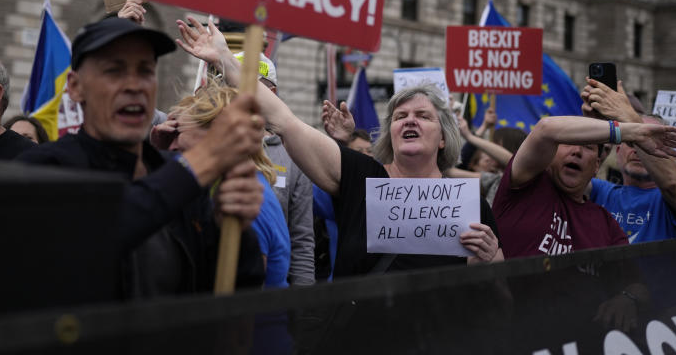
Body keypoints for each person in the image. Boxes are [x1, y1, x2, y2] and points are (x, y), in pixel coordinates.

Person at [176, 18, 502, 277]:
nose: (409, 121)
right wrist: (226, 61)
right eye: (400, 116)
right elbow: (285, 120)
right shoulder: (361, 178)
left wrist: (488, 263)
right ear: (389, 133)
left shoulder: (470, 204)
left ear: (444, 137)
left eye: (423, 116)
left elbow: (503, 296)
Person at [16, 17, 265, 298]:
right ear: (75, 87)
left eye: (145, 71)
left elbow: (234, 288)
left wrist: (233, 231)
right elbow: (86, 246)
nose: (134, 86)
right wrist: (202, 161)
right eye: (114, 71)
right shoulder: (44, 167)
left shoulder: (175, 177)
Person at [492, 111, 676, 258]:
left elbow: (630, 280)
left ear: (597, 165)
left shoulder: (605, 223)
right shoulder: (525, 185)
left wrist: (626, 298)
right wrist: (633, 132)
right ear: (550, 152)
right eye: (568, 143)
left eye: (588, 147)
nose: (577, 151)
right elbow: (546, 128)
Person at [168, 81, 292, 288]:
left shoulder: (245, 202)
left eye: (178, 133)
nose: (170, 146)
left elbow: (245, 297)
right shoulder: (221, 188)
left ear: (216, 137)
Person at [233, 50, 316, 286]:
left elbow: (301, 239)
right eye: (233, 84)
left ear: (272, 94)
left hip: (271, 295)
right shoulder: (204, 139)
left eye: (252, 87)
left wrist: (303, 304)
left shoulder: (295, 153)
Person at [583, 80, 676, 242]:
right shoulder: (600, 191)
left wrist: (628, 116)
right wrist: (591, 124)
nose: (640, 149)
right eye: (632, 140)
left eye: (650, 140)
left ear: (670, 153)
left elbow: (672, 184)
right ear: (617, 150)